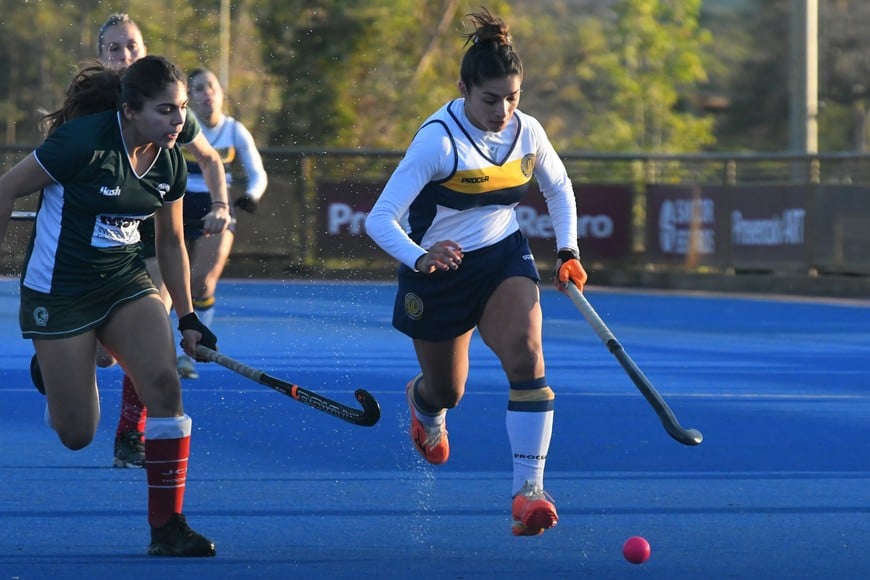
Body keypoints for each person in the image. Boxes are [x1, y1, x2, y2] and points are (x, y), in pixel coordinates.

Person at [364, 8, 588, 537]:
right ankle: (424, 404)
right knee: (449, 391)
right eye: (491, 99)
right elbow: (379, 219)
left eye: (513, 97)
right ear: (463, 88)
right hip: (437, 273)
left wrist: (568, 250)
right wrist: (421, 256)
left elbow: (558, 188)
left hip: (502, 256)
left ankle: (528, 493)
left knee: (528, 356)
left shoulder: (528, 132)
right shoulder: (438, 141)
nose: (504, 110)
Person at [0, 56, 216, 556]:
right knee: (77, 434)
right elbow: (6, 187)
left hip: (123, 281)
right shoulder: (81, 143)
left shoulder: (170, 161)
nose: (179, 121)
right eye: (165, 111)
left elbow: (170, 243)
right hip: (60, 291)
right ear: (129, 111)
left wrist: (187, 317)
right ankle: (56, 374)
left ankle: (168, 528)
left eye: (182, 109)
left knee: (163, 384)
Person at [95, 13, 232, 469]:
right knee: (103, 359)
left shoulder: (164, 104)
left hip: (148, 238)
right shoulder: (89, 106)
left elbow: (210, 160)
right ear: (101, 57)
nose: (125, 56)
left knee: (153, 324)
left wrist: (221, 206)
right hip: (95, 245)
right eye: (115, 48)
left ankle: (130, 435)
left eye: (132, 46)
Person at [176, 67, 268, 379]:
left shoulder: (234, 130)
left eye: (210, 87)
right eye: (198, 89)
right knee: (166, 283)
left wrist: (251, 196)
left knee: (201, 281)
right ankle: (160, 348)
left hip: (217, 208)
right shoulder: (179, 124)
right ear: (189, 97)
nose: (206, 94)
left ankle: (189, 352)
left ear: (221, 93)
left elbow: (258, 173)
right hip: (175, 205)